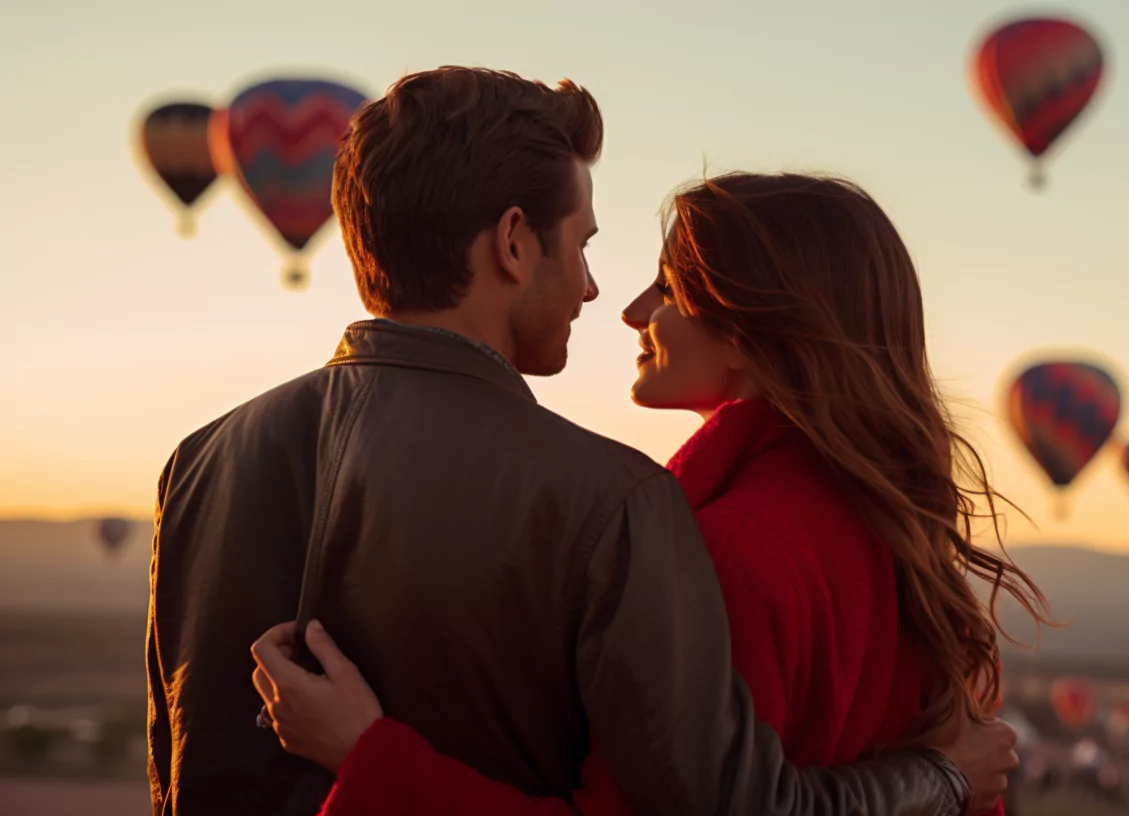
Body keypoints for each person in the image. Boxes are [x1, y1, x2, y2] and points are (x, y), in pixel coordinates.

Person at [146, 66, 1012, 816]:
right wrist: (937, 780)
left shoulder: (198, 462)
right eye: (585, 245)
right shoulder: (619, 505)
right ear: (516, 243)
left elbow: (177, 764)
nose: (602, 293)